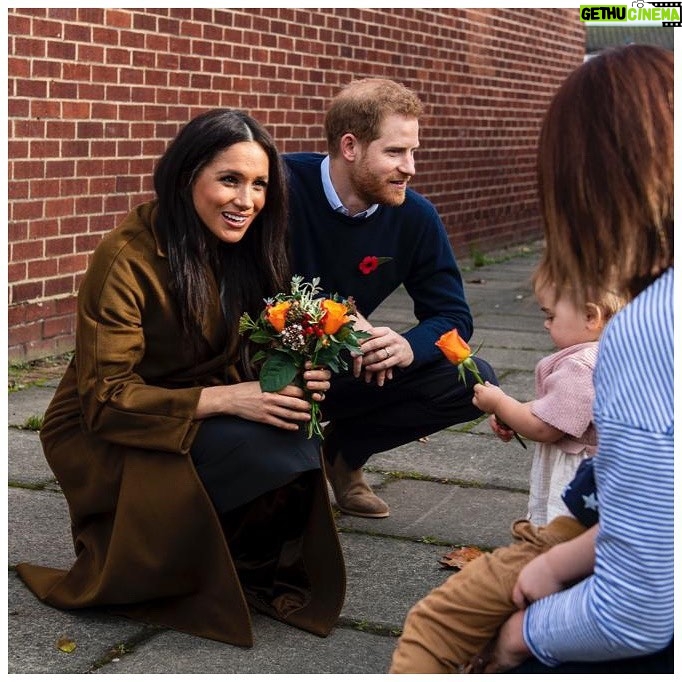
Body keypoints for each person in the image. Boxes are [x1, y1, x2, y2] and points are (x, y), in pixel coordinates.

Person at [15, 109, 346, 648]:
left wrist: (288, 377)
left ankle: (232, 554)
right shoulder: (125, 258)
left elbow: (246, 354)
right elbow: (105, 398)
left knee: (295, 433)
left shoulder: (249, 250)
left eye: (259, 184)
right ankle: (160, 562)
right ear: (186, 175)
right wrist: (230, 399)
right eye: (230, 180)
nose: (247, 201)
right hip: (109, 426)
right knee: (265, 448)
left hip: (191, 402)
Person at [398, 44, 674, 673]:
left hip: (608, 568)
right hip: (592, 534)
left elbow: (639, 604)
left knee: (443, 628)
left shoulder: (646, 331)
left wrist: (524, 637)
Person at [388, 272, 623, 673]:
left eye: (550, 316)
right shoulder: (608, 355)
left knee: (553, 532)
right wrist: (521, 413)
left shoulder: (583, 364)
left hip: (575, 477)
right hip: (584, 464)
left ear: (591, 316)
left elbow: (549, 427)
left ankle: (549, 594)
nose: (545, 324)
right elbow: (561, 411)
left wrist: (501, 403)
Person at [284, 78, 497, 518]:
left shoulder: (414, 217)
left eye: (413, 151)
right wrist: (336, 317)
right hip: (267, 364)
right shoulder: (279, 188)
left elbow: (452, 314)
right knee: (280, 506)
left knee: (471, 378)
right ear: (350, 147)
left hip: (347, 368)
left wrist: (406, 347)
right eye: (396, 152)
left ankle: (343, 454)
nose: (411, 167)